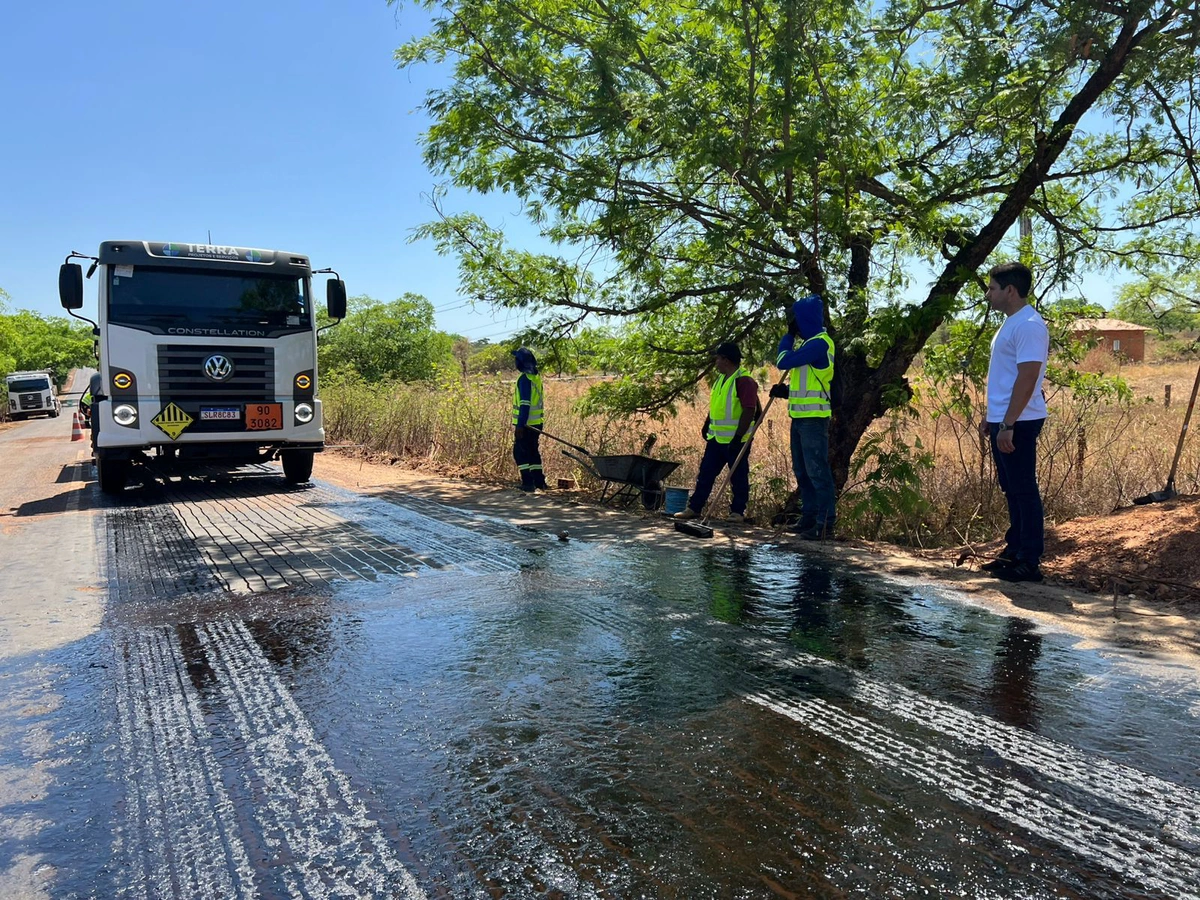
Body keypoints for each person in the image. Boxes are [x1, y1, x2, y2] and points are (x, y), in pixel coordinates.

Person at [977, 262, 1049, 583]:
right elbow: (1006, 379)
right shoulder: (1011, 323)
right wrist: (991, 418)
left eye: (992, 288)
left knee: (1023, 489)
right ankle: (1014, 551)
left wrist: (1007, 424)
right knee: (1011, 489)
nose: (988, 294)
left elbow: (1028, 376)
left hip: (1020, 421)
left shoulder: (1029, 325)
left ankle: (1030, 561)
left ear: (1010, 290)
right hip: (1003, 419)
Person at [673, 342, 761, 523]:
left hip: (736, 439)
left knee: (738, 475)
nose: (716, 362)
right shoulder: (720, 380)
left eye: (718, 358)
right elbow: (717, 407)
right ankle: (694, 508)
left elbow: (750, 410)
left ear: (726, 360)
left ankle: (737, 512)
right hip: (716, 438)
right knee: (705, 473)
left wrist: (738, 437)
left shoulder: (744, 381)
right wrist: (707, 423)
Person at [772, 294, 836, 539]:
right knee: (802, 471)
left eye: (796, 321)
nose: (795, 326)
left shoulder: (820, 343)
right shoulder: (809, 345)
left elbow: (782, 361)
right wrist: (786, 392)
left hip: (814, 419)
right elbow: (809, 385)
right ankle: (808, 518)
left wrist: (787, 337)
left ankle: (825, 523)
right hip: (799, 417)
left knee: (817, 472)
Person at [511, 347, 548, 493]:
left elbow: (525, 404)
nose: (515, 362)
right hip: (537, 423)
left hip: (526, 424)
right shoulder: (536, 378)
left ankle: (528, 483)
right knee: (533, 452)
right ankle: (539, 482)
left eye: (516, 359)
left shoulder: (524, 379)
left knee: (520, 453)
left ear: (520, 362)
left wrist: (520, 425)